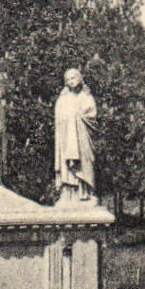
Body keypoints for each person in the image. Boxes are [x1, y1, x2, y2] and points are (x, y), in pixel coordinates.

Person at [53, 67, 98, 203]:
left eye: (73, 78)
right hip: (67, 138)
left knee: (85, 163)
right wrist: (68, 119)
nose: (71, 81)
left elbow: (92, 116)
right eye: (68, 79)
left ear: (79, 78)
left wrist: (77, 116)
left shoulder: (86, 97)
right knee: (67, 166)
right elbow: (58, 119)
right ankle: (68, 193)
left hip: (82, 137)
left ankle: (86, 192)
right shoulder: (62, 100)